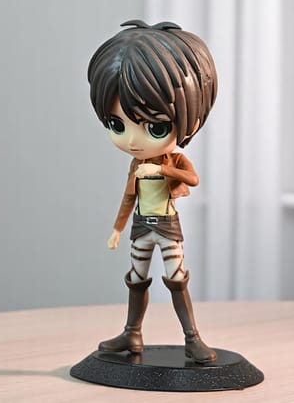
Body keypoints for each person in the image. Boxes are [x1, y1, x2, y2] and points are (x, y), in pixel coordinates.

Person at [87, 20, 218, 363]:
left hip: (167, 225)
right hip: (141, 226)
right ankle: (132, 333)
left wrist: (161, 170)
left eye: (155, 127)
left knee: (176, 278)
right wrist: (117, 228)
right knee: (136, 278)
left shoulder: (171, 161)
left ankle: (192, 338)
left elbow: (192, 179)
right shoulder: (135, 166)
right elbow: (128, 197)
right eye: (117, 124)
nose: (132, 140)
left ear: (191, 122)